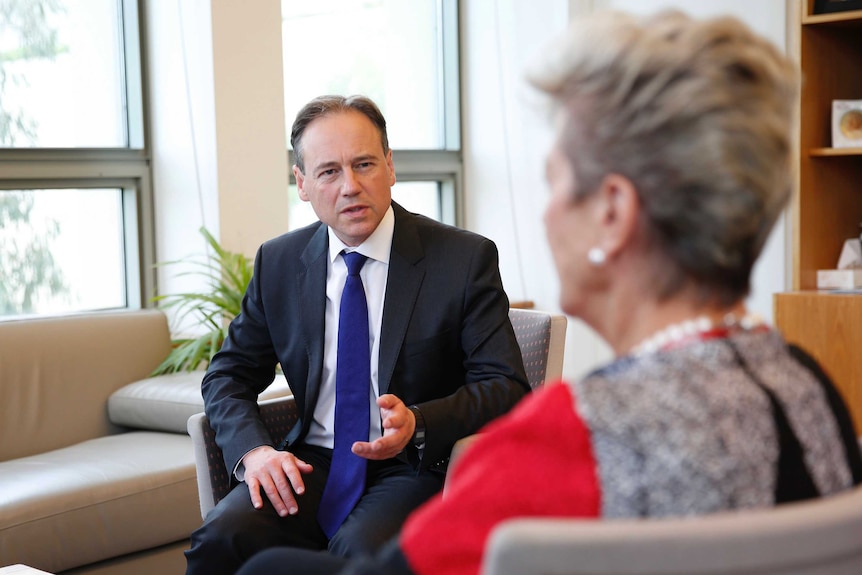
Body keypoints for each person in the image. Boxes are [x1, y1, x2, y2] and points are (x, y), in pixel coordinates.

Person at [234, 9, 862, 575]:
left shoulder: (567, 438)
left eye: (556, 180)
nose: (547, 214)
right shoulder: (809, 389)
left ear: (613, 212)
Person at [184, 94, 530, 575]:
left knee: (358, 554)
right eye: (328, 172)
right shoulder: (279, 264)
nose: (350, 186)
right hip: (313, 464)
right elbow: (228, 375)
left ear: (389, 166)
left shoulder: (462, 260)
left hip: (413, 465)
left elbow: (507, 386)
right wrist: (255, 452)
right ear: (302, 184)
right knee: (221, 539)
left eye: (364, 164)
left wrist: (418, 421)